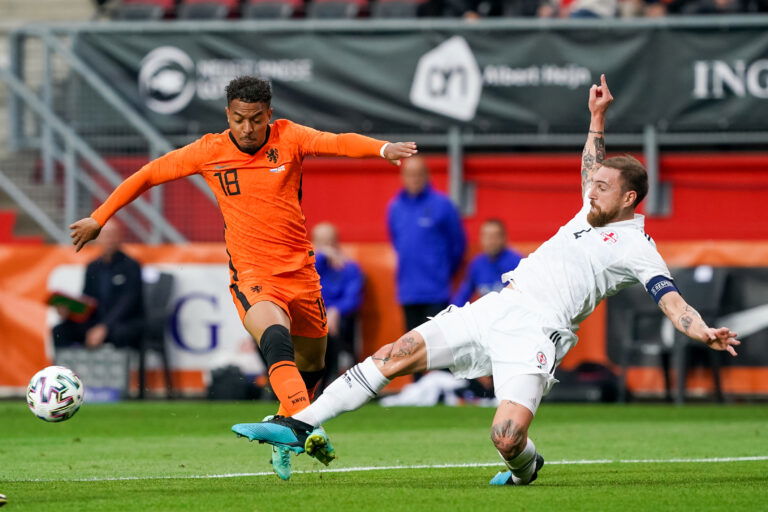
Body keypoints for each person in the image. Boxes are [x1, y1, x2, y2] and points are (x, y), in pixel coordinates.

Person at [231, 74, 741, 486]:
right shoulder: (589, 212)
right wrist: (597, 117)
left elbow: (671, 300)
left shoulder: (637, 246)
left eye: (603, 187)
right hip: (499, 306)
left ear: (629, 199)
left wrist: (700, 330)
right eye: (593, 181)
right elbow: (592, 162)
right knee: (396, 352)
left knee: (506, 436)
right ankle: (301, 425)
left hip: (540, 334)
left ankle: (527, 467)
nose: (591, 189)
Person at [68, 75, 418, 481]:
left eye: (255, 119)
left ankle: (284, 430)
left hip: (302, 276)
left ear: (269, 114)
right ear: (227, 116)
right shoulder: (208, 151)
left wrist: (381, 148)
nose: (247, 129)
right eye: (238, 120)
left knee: (313, 365)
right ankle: (309, 427)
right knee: (275, 339)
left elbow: (337, 141)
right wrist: (99, 217)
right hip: (253, 276)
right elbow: (149, 174)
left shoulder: (290, 138)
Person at [387, 156, 466, 334]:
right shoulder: (395, 207)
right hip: (408, 291)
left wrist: (442, 271)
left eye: (418, 174)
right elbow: (396, 242)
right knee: (412, 348)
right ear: (402, 177)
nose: (414, 179)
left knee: (437, 347)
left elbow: (458, 244)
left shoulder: (443, 205)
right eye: (409, 174)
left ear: (426, 175)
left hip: (436, 291)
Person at [53, 221, 144, 350]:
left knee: (121, 333)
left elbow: (127, 303)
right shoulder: (93, 267)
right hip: (96, 321)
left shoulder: (131, 266)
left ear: (120, 237)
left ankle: (118, 370)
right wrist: (70, 312)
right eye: (105, 235)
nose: (109, 239)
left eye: (113, 235)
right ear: (97, 239)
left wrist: (104, 327)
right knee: (60, 330)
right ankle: (64, 369)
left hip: (123, 322)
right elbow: (88, 300)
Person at [311, 222, 365, 385]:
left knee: (331, 328)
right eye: (321, 242)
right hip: (311, 317)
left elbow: (353, 299)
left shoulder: (349, 268)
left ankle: (330, 380)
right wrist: (321, 255)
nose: (327, 246)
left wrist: (335, 310)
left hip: (337, 321)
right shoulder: (310, 266)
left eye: (330, 241)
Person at [452, 219, 522, 306]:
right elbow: (462, 296)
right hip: (486, 315)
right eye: (486, 236)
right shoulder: (477, 264)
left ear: (504, 238)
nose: (490, 241)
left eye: (494, 236)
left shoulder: (518, 264)